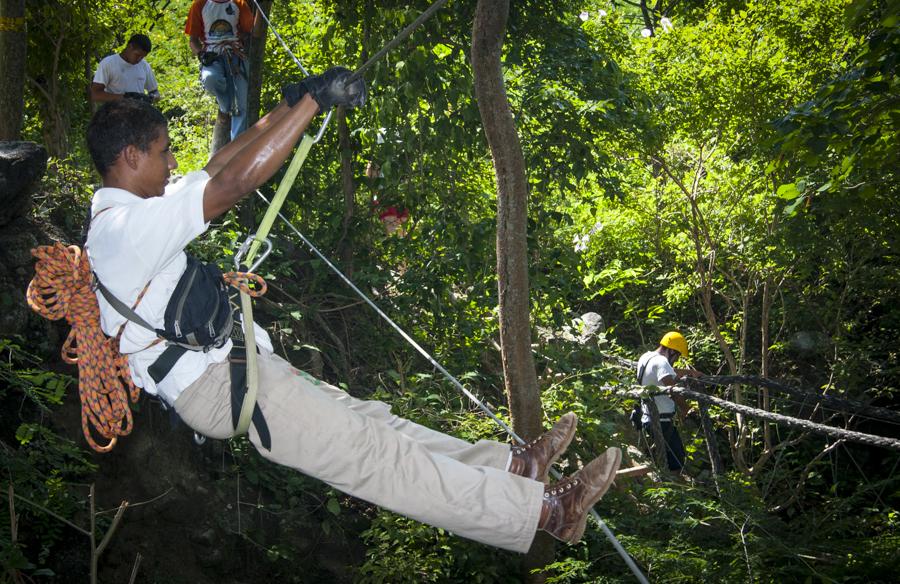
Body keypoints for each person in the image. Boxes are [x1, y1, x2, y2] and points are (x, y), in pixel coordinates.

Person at [83, 68, 623, 553]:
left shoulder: (134, 221)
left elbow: (217, 165)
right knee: (373, 457)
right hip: (224, 385)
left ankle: (517, 466)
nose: (172, 162)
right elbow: (232, 183)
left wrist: (286, 107)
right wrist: (314, 103)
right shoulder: (125, 233)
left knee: (378, 426)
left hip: (241, 368)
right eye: (162, 152)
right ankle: (550, 513)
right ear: (130, 157)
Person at [184, 0, 254, 140]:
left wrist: (240, 38)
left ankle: (237, 149)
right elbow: (193, 40)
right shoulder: (200, 4)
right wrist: (201, 54)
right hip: (212, 54)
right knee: (210, 79)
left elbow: (251, 30)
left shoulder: (239, 3)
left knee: (241, 106)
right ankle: (225, 107)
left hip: (236, 55)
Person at [635, 331, 701, 472]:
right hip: (661, 422)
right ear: (671, 351)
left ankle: (666, 483)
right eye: (677, 355)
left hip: (648, 418)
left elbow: (665, 371)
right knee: (676, 462)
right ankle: (671, 487)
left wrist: (689, 373)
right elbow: (673, 390)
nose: (676, 359)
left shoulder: (646, 357)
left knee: (665, 456)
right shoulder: (661, 361)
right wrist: (687, 409)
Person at [90, 34, 160, 104]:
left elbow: (155, 92)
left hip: (138, 112)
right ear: (129, 47)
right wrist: (125, 98)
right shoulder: (108, 63)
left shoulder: (144, 66)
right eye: (137, 55)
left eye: (142, 57)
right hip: (113, 112)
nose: (139, 59)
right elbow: (95, 95)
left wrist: (151, 97)